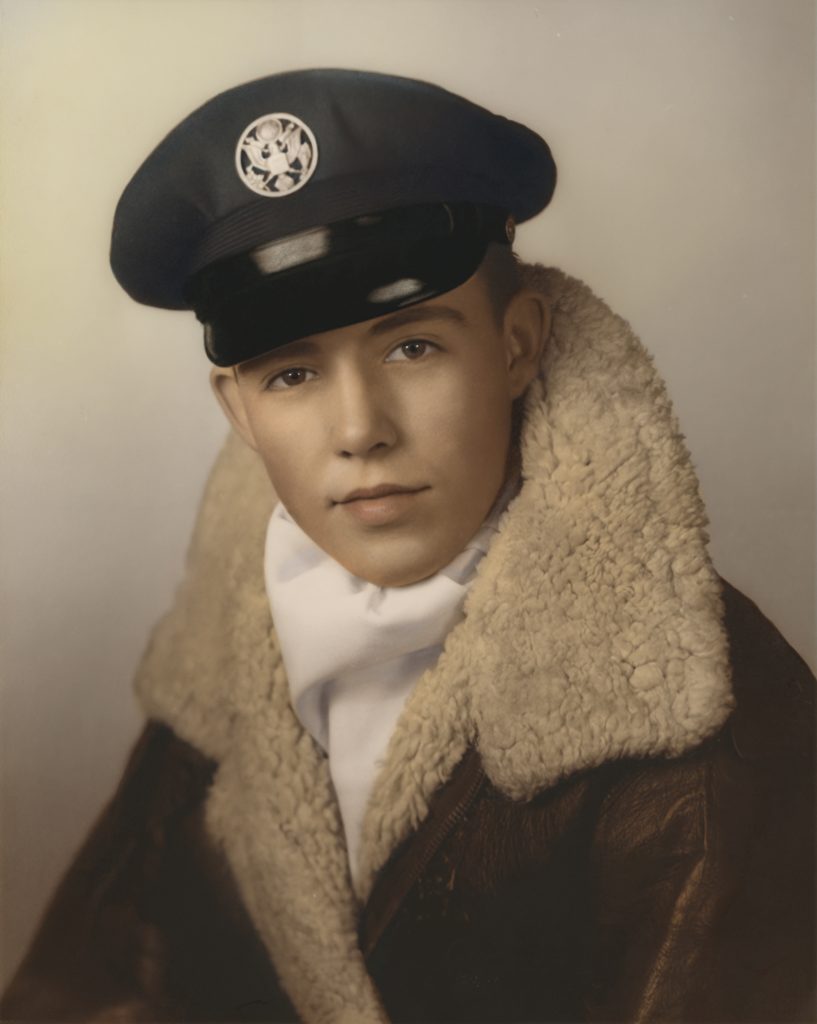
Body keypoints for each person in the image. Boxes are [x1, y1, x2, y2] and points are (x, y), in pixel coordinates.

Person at [2, 68, 814, 1024]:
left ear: (516, 346)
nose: (360, 429)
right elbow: (90, 987)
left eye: (412, 348)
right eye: (292, 373)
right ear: (240, 413)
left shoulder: (703, 715)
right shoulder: (214, 669)